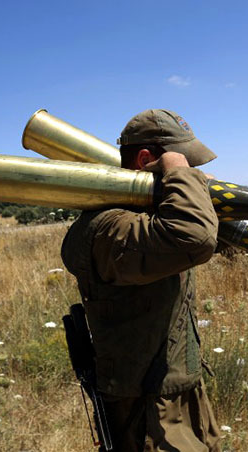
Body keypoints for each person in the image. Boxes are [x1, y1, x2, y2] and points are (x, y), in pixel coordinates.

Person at [61, 109, 220, 451]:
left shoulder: (146, 217)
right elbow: (196, 238)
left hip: (174, 390)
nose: (193, 171)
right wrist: (181, 176)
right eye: (183, 161)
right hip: (150, 411)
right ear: (147, 159)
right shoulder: (109, 227)